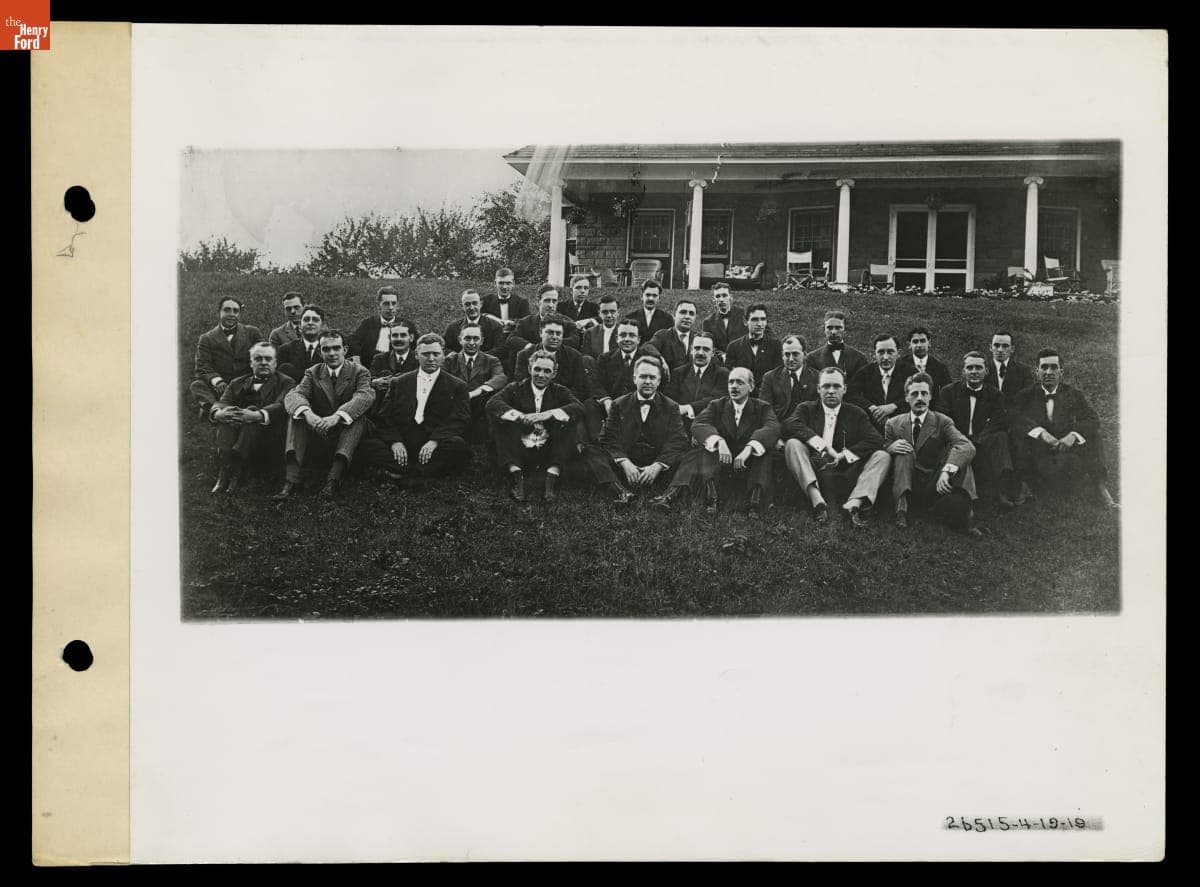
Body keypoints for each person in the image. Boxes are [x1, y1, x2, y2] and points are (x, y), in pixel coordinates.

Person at [656, 367, 779, 516]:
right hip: (721, 466)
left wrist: (749, 449)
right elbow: (699, 424)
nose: (734, 386)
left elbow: (772, 427)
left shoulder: (762, 407)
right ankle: (707, 497)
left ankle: (755, 502)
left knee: (763, 451)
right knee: (704, 447)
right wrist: (719, 442)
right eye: (731, 382)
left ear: (751, 387)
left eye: (739, 382)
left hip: (748, 467)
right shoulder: (717, 405)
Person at [781, 367, 891, 527]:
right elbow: (790, 424)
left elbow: (875, 439)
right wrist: (823, 446)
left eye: (836, 386)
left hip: (846, 473)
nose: (831, 391)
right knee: (792, 444)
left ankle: (854, 504)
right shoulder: (807, 408)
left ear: (844, 389)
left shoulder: (856, 413)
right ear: (818, 389)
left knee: (883, 456)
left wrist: (843, 455)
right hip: (813, 471)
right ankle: (817, 501)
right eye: (826, 386)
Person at [1007, 348, 1118, 508]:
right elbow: (1013, 417)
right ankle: (1025, 486)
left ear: (1061, 372)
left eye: (1054, 367)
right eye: (1044, 367)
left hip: (1065, 451)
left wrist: (1073, 435)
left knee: (1094, 435)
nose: (1049, 372)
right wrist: (1040, 433)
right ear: (1037, 371)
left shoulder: (1073, 394)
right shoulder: (1025, 395)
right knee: (1017, 433)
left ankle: (1099, 487)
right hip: (1037, 452)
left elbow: (1092, 419)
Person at [275, 329, 375, 500]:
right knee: (296, 416)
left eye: (336, 348)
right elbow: (294, 395)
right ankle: (291, 480)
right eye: (326, 349)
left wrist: (336, 417)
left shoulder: (360, 371)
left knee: (358, 419)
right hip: (321, 429)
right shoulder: (313, 372)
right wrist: (308, 414)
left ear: (345, 350)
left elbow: (364, 396)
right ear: (320, 352)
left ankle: (334, 479)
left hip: (349, 430)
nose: (332, 353)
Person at [359, 334, 472, 483]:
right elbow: (384, 416)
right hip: (404, 440)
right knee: (368, 445)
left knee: (458, 446)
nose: (431, 358)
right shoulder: (399, 382)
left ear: (443, 356)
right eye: (426, 354)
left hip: (434, 443)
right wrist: (395, 442)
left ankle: (401, 475)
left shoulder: (457, 386)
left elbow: (459, 418)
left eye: (436, 354)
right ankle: (420, 474)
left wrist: (435, 441)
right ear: (417, 355)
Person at [583, 356, 689, 504]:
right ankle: (621, 492)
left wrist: (658, 465)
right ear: (634, 378)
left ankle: (667, 497)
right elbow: (608, 438)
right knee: (590, 451)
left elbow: (678, 440)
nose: (647, 381)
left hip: (657, 466)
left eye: (652, 377)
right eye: (643, 376)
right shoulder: (618, 404)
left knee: (690, 455)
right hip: (626, 464)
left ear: (659, 381)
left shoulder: (671, 406)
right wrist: (624, 462)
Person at [884, 372, 980, 535]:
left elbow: (966, 446)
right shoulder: (893, 424)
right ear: (906, 397)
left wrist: (947, 471)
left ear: (930, 397)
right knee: (903, 450)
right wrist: (890, 448)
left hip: (933, 483)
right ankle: (901, 511)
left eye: (924, 393)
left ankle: (967, 513)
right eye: (914, 394)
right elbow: (883, 448)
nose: (919, 398)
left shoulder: (942, 421)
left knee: (960, 455)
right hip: (906, 482)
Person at [487, 350, 585, 503]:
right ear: (529, 369)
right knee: (501, 422)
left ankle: (551, 480)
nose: (541, 375)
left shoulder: (560, 391)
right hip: (520, 447)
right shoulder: (515, 388)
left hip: (548, 449)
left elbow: (579, 408)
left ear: (554, 374)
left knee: (570, 424)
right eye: (537, 369)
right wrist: (520, 416)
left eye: (547, 371)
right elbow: (492, 404)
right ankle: (517, 477)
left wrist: (550, 414)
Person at [207, 341, 295, 495]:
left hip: (270, 435)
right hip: (236, 431)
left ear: (275, 363)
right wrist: (218, 413)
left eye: (268, 359)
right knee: (226, 414)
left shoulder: (286, 382)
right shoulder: (237, 382)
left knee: (252, 412)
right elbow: (221, 402)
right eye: (258, 359)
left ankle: (237, 472)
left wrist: (257, 414)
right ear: (251, 362)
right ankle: (224, 472)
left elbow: (282, 405)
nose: (263, 363)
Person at [940, 351, 1019, 508]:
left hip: (982, 440)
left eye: (978, 367)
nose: (974, 371)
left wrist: (977, 440)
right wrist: (962, 440)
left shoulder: (995, 395)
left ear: (986, 371)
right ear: (963, 371)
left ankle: (1001, 491)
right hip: (956, 441)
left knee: (1001, 437)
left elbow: (999, 422)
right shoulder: (949, 392)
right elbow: (943, 419)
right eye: (970, 368)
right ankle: (965, 496)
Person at [584, 319, 666, 442]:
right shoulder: (605, 358)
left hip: (638, 403)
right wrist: (606, 400)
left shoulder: (649, 360)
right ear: (617, 338)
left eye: (632, 335)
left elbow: (659, 385)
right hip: (610, 405)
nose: (627, 339)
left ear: (638, 339)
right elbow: (595, 382)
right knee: (589, 405)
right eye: (623, 335)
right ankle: (597, 442)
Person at [189, 296, 265, 415]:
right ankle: (215, 411)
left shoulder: (252, 332)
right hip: (221, 387)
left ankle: (216, 408)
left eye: (235, 311)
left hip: (245, 384)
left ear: (239, 314)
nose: (231, 314)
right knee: (197, 385)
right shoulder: (207, 338)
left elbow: (263, 355)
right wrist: (217, 381)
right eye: (227, 310)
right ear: (219, 312)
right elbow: (202, 366)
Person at [442, 322, 507, 444]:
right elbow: (441, 380)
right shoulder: (450, 360)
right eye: (467, 338)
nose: (472, 343)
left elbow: (500, 377)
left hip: (480, 411)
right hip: (455, 408)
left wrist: (477, 392)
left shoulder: (491, 360)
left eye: (476, 338)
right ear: (460, 340)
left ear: (482, 341)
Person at [513, 317, 592, 404]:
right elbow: (521, 385)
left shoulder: (574, 356)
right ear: (540, 333)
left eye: (558, 333)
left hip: (563, 405)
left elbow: (580, 389)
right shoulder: (525, 355)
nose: (555, 337)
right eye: (550, 332)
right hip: (533, 403)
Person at [664, 332, 729, 432]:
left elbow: (717, 400)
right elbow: (669, 400)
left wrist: (689, 407)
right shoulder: (679, 373)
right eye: (697, 348)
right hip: (681, 428)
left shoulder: (722, 374)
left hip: (710, 428)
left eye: (706, 349)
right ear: (691, 350)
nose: (700, 353)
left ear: (713, 352)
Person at [758, 334, 819, 433]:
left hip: (807, 432)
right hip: (779, 432)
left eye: (795, 354)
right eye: (787, 354)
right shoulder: (770, 378)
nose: (790, 359)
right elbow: (765, 411)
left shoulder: (817, 378)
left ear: (805, 355)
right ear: (782, 356)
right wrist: (775, 437)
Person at [848, 333, 907, 430]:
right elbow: (850, 394)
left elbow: (918, 397)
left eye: (890, 352)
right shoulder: (865, 373)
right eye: (881, 352)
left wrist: (894, 406)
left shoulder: (910, 372)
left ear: (898, 353)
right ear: (873, 354)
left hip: (902, 427)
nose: (886, 357)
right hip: (871, 426)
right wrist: (871, 407)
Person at [348, 285, 413, 369]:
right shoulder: (368, 324)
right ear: (378, 305)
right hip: (369, 367)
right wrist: (357, 359)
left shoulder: (406, 325)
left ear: (398, 305)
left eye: (393, 303)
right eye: (386, 304)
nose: (390, 307)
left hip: (397, 370)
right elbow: (352, 342)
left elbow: (417, 347)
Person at [724, 304, 782, 390]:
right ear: (745, 322)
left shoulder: (776, 346)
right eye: (755, 320)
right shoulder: (734, 347)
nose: (759, 324)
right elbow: (729, 378)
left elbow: (778, 377)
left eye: (763, 319)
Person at [512, 284, 581, 352]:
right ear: (537, 302)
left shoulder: (567, 322)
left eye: (554, 301)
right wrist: (530, 346)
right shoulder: (525, 322)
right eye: (547, 301)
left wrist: (550, 343)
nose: (551, 305)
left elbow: (575, 341)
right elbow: (512, 338)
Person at [805, 310, 869, 380]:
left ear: (845, 330)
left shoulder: (859, 358)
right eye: (829, 328)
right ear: (824, 330)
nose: (833, 332)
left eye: (838, 328)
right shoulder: (812, 358)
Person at [896, 326, 952, 403]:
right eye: (915, 342)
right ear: (909, 344)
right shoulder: (900, 365)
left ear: (929, 343)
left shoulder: (940, 367)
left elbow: (948, 393)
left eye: (922, 341)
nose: (919, 345)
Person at [443, 288, 506, 354]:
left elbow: (500, 349)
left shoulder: (495, 326)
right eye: (467, 304)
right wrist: (458, 357)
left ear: (481, 304)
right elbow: (444, 347)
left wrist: (478, 358)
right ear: (462, 306)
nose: (472, 307)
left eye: (475, 303)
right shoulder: (453, 328)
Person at [982, 330, 1035, 406]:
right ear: (990, 347)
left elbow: (1027, 399)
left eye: (1005, 346)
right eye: (996, 345)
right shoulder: (981, 371)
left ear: (1012, 349)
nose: (1000, 350)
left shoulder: (1024, 371)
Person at [276, 304, 326, 382]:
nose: (310, 323)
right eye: (306, 319)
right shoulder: (285, 350)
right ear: (299, 325)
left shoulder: (328, 350)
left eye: (315, 320)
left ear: (322, 325)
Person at [649, 299, 700, 372]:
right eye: (683, 312)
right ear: (674, 315)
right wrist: (660, 358)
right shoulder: (663, 335)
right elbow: (648, 347)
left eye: (691, 314)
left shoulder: (699, 338)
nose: (687, 317)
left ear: (695, 318)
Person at [700, 281, 746, 359]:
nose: (721, 299)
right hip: (721, 362)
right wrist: (722, 355)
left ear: (731, 297)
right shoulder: (708, 322)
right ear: (713, 299)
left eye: (724, 295)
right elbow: (708, 345)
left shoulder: (744, 315)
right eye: (718, 296)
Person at [368, 319, 420, 383]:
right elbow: (369, 379)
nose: (398, 339)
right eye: (395, 335)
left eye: (403, 335)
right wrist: (374, 382)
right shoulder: (379, 359)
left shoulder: (418, 359)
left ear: (411, 338)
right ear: (389, 338)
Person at [579, 293, 623, 360]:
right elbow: (586, 357)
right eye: (605, 312)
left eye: (612, 312)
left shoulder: (624, 332)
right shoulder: (590, 333)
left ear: (618, 313)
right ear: (599, 313)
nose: (609, 315)